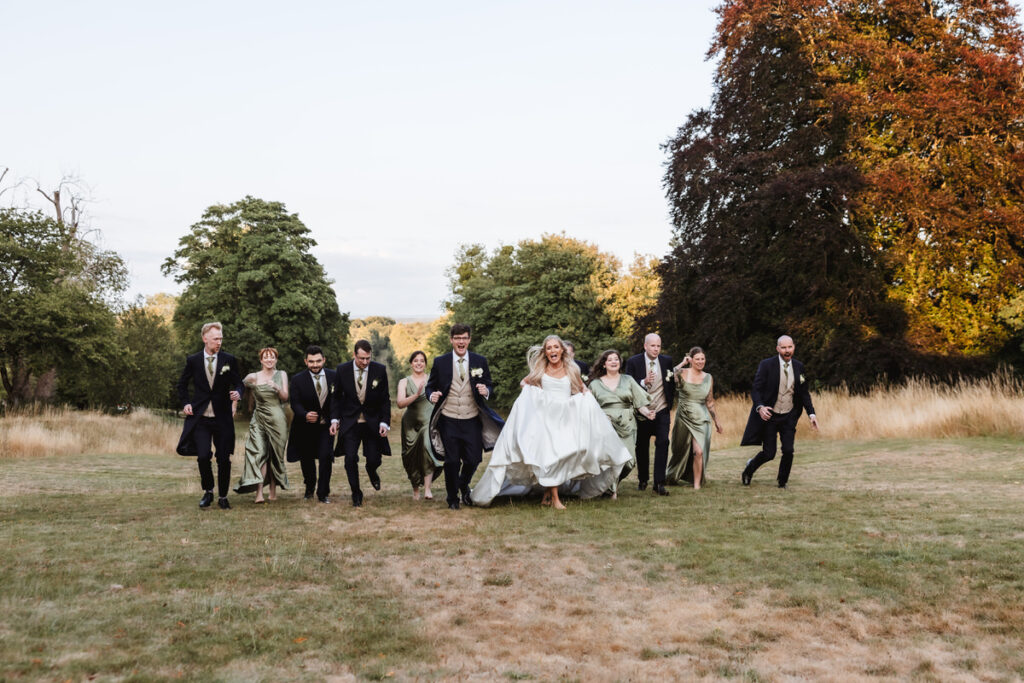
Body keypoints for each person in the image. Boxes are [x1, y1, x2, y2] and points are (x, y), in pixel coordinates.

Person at [470, 335, 631, 509]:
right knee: (549, 456)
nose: (552, 351)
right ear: (545, 352)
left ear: (562, 350)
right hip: (545, 419)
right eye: (548, 348)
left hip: (564, 418)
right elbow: (523, 383)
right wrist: (537, 394)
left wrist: (586, 395)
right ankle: (555, 499)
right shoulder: (541, 369)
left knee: (564, 453)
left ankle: (547, 494)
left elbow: (579, 388)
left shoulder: (571, 369)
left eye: (555, 347)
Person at [426, 324, 505, 510]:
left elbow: (488, 383)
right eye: (457, 338)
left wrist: (486, 390)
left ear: (469, 339)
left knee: (474, 458)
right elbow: (430, 386)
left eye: (464, 338)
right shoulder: (440, 362)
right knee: (452, 460)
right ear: (451, 340)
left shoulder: (480, 360)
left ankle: (463, 483)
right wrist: (431, 395)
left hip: (472, 418)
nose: (461, 341)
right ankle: (452, 498)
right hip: (449, 418)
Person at [175, 322, 243, 510]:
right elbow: (181, 385)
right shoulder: (193, 360)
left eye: (221, 338)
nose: (219, 342)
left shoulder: (229, 359)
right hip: (201, 418)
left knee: (223, 458)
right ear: (205, 339)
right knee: (203, 456)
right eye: (215, 339)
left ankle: (223, 496)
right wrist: (186, 403)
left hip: (223, 418)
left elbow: (239, 383)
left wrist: (238, 393)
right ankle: (208, 492)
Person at [740, 335, 819, 488]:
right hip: (770, 415)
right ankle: (749, 469)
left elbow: (804, 393)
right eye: (783, 348)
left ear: (794, 347)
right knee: (769, 453)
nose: (787, 350)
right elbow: (756, 389)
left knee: (788, 450)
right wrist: (760, 407)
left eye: (789, 347)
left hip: (789, 415)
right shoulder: (766, 365)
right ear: (778, 349)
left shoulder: (799, 367)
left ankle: (782, 482)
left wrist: (812, 414)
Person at [330, 339, 392, 507]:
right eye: (362, 359)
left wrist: (385, 422)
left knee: (373, 459)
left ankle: (372, 471)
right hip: (350, 423)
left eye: (368, 358)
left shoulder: (379, 370)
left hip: (372, 422)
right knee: (350, 458)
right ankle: (356, 492)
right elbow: (336, 398)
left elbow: (385, 399)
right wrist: (334, 419)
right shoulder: (342, 370)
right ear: (354, 355)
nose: (365, 362)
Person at [588, 350, 655, 499]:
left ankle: (610, 486)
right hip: (605, 424)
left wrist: (647, 413)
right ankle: (612, 491)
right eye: (610, 359)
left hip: (627, 423)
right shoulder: (595, 384)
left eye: (616, 359)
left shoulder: (628, 380)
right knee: (611, 459)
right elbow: (589, 407)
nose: (613, 362)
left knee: (629, 461)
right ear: (604, 364)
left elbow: (639, 401)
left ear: (620, 363)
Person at [234, 347, 290, 501]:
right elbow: (238, 387)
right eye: (266, 357)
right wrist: (234, 404)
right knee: (259, 453)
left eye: (272, 357)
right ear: (261, 360)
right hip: (259, 418)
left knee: (274, 455)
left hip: (277, 418)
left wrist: (277, 388)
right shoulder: (253, 377)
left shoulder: (282, 374)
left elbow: (285, 397)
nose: (269, 359)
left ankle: (273, 492)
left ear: (276, 359)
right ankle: (259, 493)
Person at [624, 333, 676, 496]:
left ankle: (659, 483)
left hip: (662, 410)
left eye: (658, 346)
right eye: (653, 346)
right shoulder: (633, 362)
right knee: (642, 446)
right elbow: (627, 384)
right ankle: (643, 479)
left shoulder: (667, 361)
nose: (656, 349)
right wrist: (643, 382)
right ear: (645, 346)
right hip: (642, 411)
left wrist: (668, 404)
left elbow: (671, 384)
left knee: (663, 443)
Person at [666, 347, 723, 489]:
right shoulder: (682, 372)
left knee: (698, 451)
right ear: (691, 359)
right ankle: (672, 474)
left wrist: (716, 421)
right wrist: (682, 363)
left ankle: (696, 484)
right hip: (684, 416)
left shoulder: (708, 377)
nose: (700, 361)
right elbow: (671, 375)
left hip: (701, 418)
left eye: (703, 359)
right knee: (680, 451)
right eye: (697, 359)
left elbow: (709, 401)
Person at [286, 345, 336, 501]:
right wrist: (305, 414)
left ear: (324, 360)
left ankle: (323, 493)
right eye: (311, 361)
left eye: (318, 361)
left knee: (325, 457)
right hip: (305, 427)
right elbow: (294, 402)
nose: (315, 365)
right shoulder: (297, 379)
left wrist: (335, 419)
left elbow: (338, 400)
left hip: (326, 426)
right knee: (307, 460)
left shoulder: (334, 377)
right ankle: (309, 487)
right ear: (306, 361)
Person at [397, 350, 443, 500]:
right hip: (409, 423)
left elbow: (440, 399)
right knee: (409, 456)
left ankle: (427, 489)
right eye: (416, 360)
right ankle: (416, 489)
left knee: (426, 449)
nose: (418, 363)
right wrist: (416, 395)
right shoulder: (404, 382)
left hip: (427, 422)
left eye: (422, 361)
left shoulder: (432, 380)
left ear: (425, 364)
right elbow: (400, 403)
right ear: (411, 363)